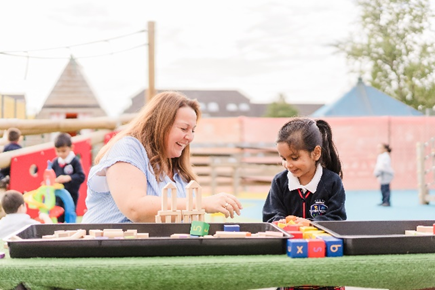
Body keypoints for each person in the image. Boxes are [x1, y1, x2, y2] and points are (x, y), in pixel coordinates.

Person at [82, 91, 242, 223]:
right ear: (161, 124)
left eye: (193, 130)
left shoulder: (179, 174)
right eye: (184, 128)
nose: (190, 137)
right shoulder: (128, 148)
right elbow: (134, 208)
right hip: (106, 252)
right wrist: (202, 203)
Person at [263, 118, 346, 223]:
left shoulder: (332, 181)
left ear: (316, 153)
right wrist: (280, 222)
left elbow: (337, 218)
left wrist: (311, 224)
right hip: (288, 239)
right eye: (284, 158)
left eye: (294, 158)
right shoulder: (279, 181)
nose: (288, 165)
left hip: (321, 239)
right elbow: (270, 215)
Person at [51, 133, 86, 222]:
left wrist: (69, 178)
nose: (60, 154)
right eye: (58, 151)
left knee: (70, 213)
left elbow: (81, 176)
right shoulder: (55, 162)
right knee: (59, 214)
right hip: (58, 194)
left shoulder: (74, 161)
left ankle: (71, 229)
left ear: (71, 148)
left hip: (71, 194)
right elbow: (51, 175)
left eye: (63, 151)